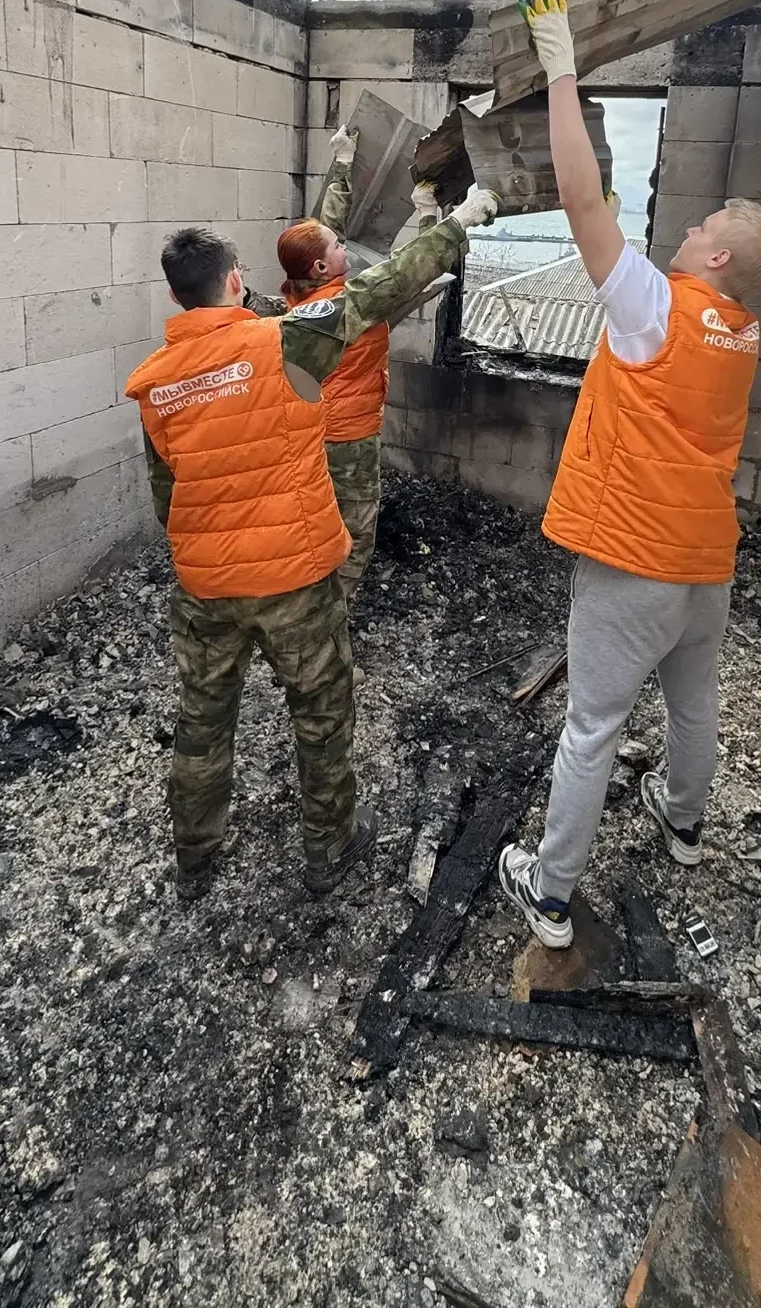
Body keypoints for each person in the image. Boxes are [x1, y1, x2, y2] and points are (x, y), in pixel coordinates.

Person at [496, 0, 761, 950]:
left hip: (634, 558)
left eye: (705, 227)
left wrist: (561, 69)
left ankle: (549, 893)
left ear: (719, 260)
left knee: (591, 726)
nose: (693, 228)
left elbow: (580, 197)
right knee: (694, 700)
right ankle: (682, 822)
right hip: (705, 557)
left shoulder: (658, 307)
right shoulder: (738, 330)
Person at [125, 183, 498, 903]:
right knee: (322, 715)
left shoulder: (155, 386)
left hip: (206, 589)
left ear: (176, 298)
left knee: (202, 721)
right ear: (235, 283)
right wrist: (453, 225)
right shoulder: (286, 341)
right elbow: (381, 288)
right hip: (293, 580)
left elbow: (167, 498)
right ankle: (329, 850)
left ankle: (195, 863)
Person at [273, 126, 438, 607]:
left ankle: (301, 591)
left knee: (314, 519)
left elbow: (323, 234)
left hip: (308, 430)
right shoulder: (353, 305)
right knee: (356, 528)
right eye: (338, 248)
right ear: (323, 268)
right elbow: (413, 269)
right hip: (348, 437)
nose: (345, 246)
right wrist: (431, 215)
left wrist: (343, 164)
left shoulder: (300, 293)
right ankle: (328, 616)